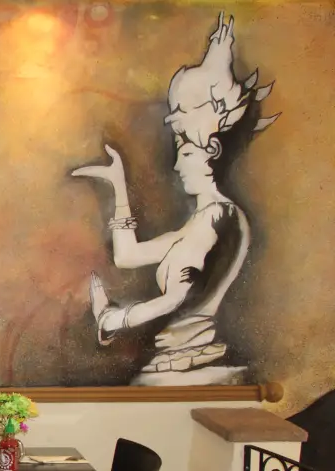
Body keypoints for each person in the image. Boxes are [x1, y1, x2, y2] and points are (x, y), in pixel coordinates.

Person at [74, 13, 278, 385]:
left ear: (212, 149)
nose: (177, 163)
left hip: (189, 369)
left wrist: (113, 319)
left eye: (185, 149)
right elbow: (127, 256)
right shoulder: (200, 224)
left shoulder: (220, 217)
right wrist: (118, 187)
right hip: (175, 365)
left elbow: (177, 298)